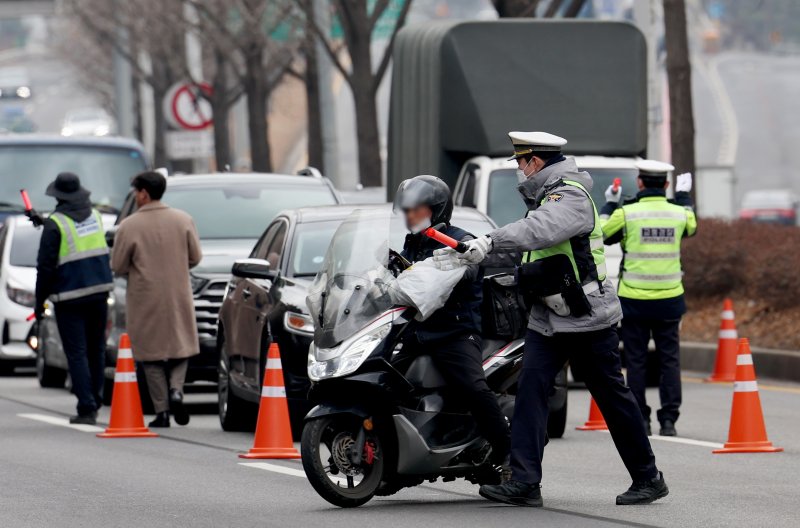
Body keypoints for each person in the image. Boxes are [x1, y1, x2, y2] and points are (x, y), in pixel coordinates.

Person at [434, 132, 667, 507]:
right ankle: (525, 482)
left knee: (612, 399)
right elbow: (537, 253)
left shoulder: (568, 195)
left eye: (520, 163)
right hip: (549, 316)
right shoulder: (546, 195)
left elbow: (539, 231)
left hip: (587, 318)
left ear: (535, 162)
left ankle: (647, 477)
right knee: (530, 393)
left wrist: (490, 241)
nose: (519, 172)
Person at [393, 175, 511, 467]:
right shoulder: (412, 243)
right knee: (385, 379)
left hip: (455, 332)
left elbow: (471, 264)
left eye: (416, 209)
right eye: (406, 210)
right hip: (417, 332)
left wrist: (464, 263)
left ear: (437, 209)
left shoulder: (461, 239)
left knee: (473, 388)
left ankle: (510, 454)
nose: (410, 216)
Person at [600, 160, 697, 437]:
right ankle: (669, 421)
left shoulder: (628, 213)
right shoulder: (678, 213)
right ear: (666, 185)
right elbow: (692, 225)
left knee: (636, 361)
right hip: (669, 299)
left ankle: (641, 419)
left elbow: (602, 233)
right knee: (669, 361)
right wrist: (684, 197)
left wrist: (610, 203)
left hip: (634, 300)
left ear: (640, 183)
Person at [111, 171, 202, 428]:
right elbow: (195, 257)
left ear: (143, 193)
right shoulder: (183, 220)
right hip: (178, 293)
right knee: (181, 347)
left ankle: (161, 411)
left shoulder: (128, 226)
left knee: (150, 355)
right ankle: (176, 389)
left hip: (143, 296)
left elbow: (118, 265)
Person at [35, 172, 114, 425]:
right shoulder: (96, 217)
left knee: (77, 353)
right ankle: (97, 397)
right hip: (100, 292)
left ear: (58, 196)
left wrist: (39, 303)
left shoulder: (55, 223)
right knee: (97, 349)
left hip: (69, 297)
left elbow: (45, 268)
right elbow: (76, 230)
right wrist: (44, 221)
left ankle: (86, 407)